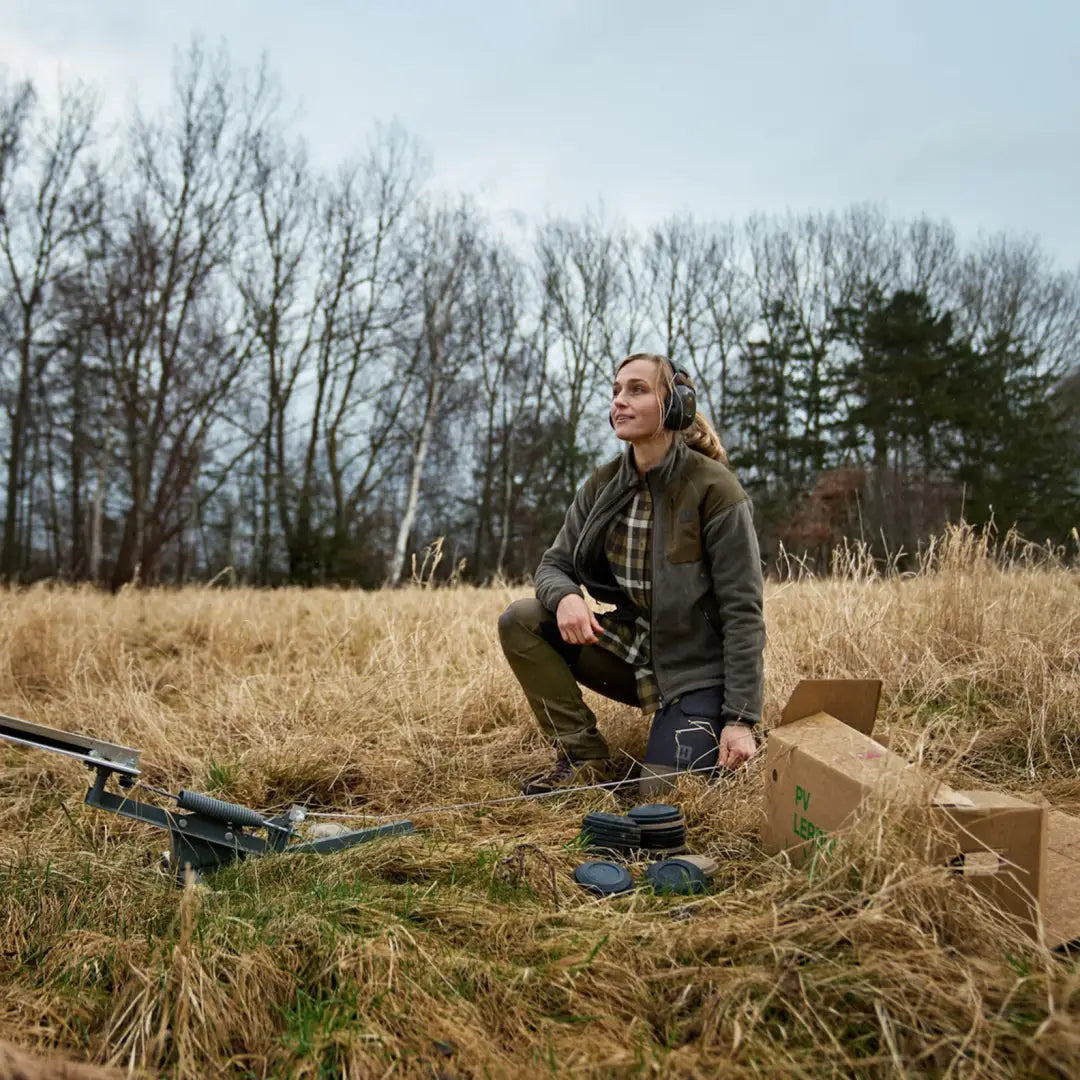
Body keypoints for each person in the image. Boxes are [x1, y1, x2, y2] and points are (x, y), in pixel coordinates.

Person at [498, 352, 765, 796]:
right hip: (630, 649)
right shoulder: (603, 484)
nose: (620, 401)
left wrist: (739, 719)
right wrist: (566, 597)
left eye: (637, 390)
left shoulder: (715, 489)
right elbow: (553, 564)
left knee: (659, 798)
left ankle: (711, 723)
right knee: (521, 619)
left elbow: (744, 613)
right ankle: (582, 756)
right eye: (616, 391)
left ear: (676, 404)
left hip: (696, 671)